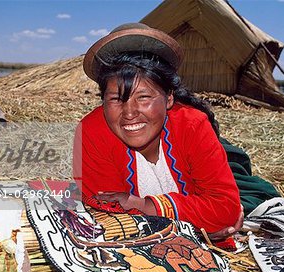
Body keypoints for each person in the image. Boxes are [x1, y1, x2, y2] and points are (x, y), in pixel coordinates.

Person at [73, 23, 243, 242]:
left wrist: (143, 205)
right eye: (116, 99)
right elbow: (106, 217)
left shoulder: (192, 125)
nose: (129, 113)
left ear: (169, 97)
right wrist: (197, 229)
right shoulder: (92, 131)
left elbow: (224, 212)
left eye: (143, 97)